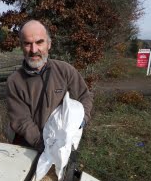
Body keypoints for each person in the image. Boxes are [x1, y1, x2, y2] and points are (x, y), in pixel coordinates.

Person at [7, 19, 93, 152]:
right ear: (21, 46)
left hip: (65, 145)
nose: (34, 50)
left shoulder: (65, 70)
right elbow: (21, 121)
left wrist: (82, 120)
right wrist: (45, 146)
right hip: (31, 148)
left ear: (49, 44)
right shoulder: (15, 81)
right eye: (28, 44)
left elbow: (84, 96)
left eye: (39, 42)